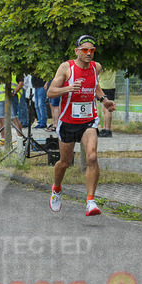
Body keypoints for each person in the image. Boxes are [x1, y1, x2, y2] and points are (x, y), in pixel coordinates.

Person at [47, 35, 115, 216]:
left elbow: (95, 86)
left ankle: (90, 201)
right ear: (76, 51)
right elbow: (50, 92)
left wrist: (104, 99)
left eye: (92, 50)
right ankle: (57, 189)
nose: (88, 53)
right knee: (65, 162)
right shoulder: (66, 67)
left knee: (92, 157)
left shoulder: (96, 67)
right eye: (85, 50)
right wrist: (68, 88)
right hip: (68, 121)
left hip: (88, 120)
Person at [0, 74, 23, 146]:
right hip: (2, 97)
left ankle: (20, 139)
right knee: (1, 118)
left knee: (14, 118)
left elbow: (21, 83)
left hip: (12, 97)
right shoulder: (2, 72)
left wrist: (14, 92)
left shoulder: (16, 72)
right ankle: (3, 139)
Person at [97, 69, 117, 137]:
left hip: (105, 86)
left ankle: (107, 129)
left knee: (107, 108)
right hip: (110, 85)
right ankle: (105, 128)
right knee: (104, 108)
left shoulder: (105, 64)